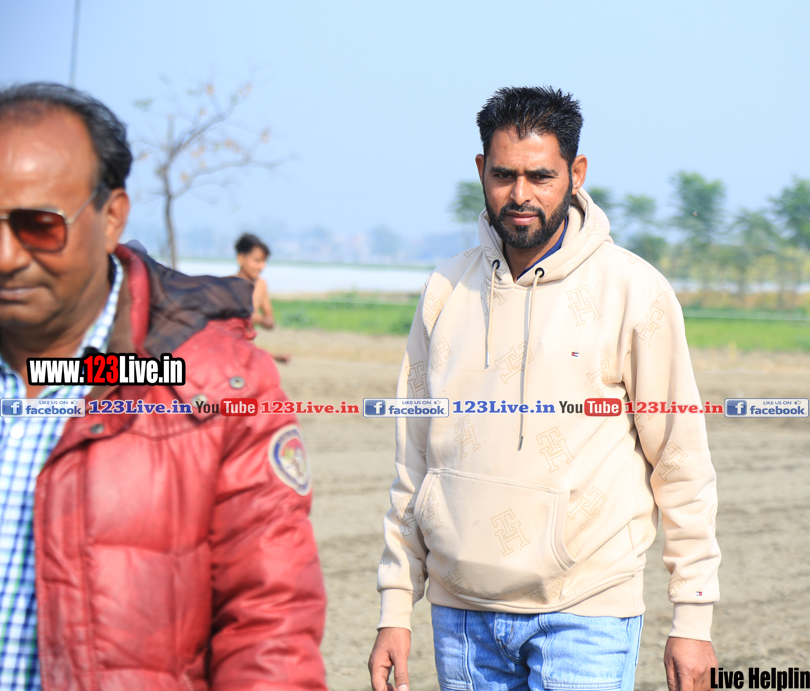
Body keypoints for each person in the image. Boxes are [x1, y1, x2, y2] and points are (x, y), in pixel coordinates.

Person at [369, 87, 721, 691]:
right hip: (461, 618)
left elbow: (680, 461)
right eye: (503, 175)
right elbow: (413, 462)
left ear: (576, 174)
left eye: (540, 176)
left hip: (586, 613)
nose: (520, 195)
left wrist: (692, 618)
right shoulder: (445, 290)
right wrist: (395, 608)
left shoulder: (634, 292)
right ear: (481, 170)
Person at [0, 82, 326, 689]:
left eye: (39, 226)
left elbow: (268, 627)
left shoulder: (216, 386)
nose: (5, 256)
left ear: (112, 217)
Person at [232, 232, 290, 363]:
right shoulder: (227, 285)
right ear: (241, 258)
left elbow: (270, 322)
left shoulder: (261, 285)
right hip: (230, 349)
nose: (262, 267)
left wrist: (257, 318)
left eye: (264, 262)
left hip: (248, 347)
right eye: (257, 261)